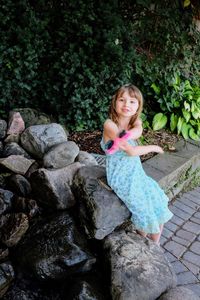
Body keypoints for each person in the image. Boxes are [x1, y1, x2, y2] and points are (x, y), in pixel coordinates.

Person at [100, 83, 173, 244]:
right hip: (121, 177)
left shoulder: (136, 122)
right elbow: (131, 152)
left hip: (136, 173)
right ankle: (143, 241)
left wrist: (128, 134)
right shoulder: (109, 125)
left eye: (132, 101)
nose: (127, 104)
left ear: (138, 105)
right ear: (115, 103)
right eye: (122, 100)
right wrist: (153, 147)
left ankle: (155, 245)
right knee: (144, 209)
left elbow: (137, 131)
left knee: (157, 199)